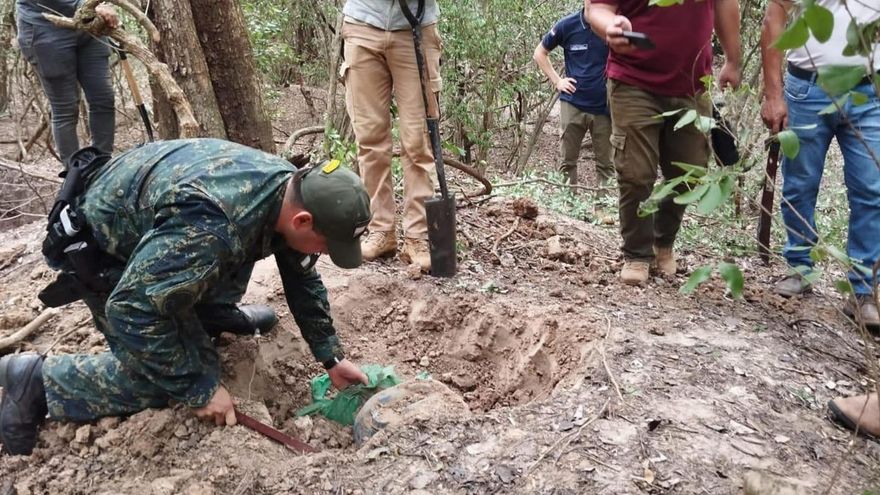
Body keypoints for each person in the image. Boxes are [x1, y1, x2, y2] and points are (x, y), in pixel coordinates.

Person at [0, 138, 372, 456]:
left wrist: (330, 356)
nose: (325, 253)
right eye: (328, 244)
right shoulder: (212, 226)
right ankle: (36, 379)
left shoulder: (288, 188)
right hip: (104, 255)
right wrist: (198, 387)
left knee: (227, 257)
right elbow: (131, 309)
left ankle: (206, 313)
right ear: (303, 220)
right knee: (164, 379)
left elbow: (302, 273)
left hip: (158, 232)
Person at [760, 0, 880, 440]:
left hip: (869, 92)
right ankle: (799, 266)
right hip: (806, 87)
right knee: (800, 183)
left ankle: (863, 289)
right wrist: (772, 92)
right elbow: (775, 16)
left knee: (872, 189)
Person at [588, 0, 742, 285]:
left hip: (693, 85)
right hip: (633, 79)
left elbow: (725, 4)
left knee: (690, 173)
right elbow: (596, 7)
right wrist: (611, 26)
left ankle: (663, 242)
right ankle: (636, 253)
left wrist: (733, 59)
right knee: (635, 173)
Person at [341, 0, 441, 272]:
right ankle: (381, 230)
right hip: (362, 24)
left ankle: (417, 235)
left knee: (418, 141)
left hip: (415, 26)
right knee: (370, 140)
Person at [533, 6, 614, 219]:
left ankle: (602, 209)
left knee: (606, 163)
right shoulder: (566, 25)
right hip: (573, 103)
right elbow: (540, 53)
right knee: (567, 160)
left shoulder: (612, 26)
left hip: (604, 107)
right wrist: (558, 81)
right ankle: (568, 205)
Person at [16, 0, 118, 164]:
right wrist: (90, 5)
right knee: (66, 108)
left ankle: (102, 167)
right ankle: (75, 177)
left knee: (103, 98)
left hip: (88, 25)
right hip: (45, 27)